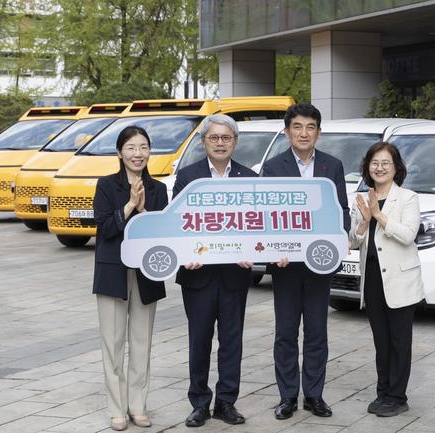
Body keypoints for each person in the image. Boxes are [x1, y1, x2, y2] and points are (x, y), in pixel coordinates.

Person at [260, 103, 350, 420]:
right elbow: (265, 215)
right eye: (297, 127)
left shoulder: (332, 166)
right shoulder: (273, 167)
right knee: (286, 333)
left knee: (316, 332)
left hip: (318, 264)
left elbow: (341, 210)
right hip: (285, 265)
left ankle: (314, 395)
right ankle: (287, 397)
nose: (303, 133)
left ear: (318, 132)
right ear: (287, 132)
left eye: (310, 127)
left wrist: (339, 241)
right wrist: (274, 249)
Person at [172, 114, 256, 428]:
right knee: (200, 341)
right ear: (204, 141)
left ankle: (226, 402)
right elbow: (178, 222)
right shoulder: (188, 177)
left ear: (235, 142)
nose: (220, 143)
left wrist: (252, 251)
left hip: (235, 274)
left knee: (232, 342)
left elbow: (257, 223)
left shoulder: (250, 178)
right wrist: (185, 254)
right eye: (214, 138)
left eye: (226, 138)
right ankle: (199, 404)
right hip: (198, 275)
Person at [93, 126, 168, 431]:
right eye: (131, 148)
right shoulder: (106, 185)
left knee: (141, 342)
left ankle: (138, 405)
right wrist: (128, 206)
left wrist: (144, 208)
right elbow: (104, 229)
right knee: (112, 344)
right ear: (120, 153)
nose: (138, 154)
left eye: (144, 147)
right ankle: (116, 408)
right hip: (112, 272)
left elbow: (161, 233)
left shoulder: (158, 189)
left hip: (146, 274)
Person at [349, 141, 424, 417]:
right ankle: (383, 393)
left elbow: (408, 235)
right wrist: (363, 221)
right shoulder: (360, 198)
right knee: (381, 340)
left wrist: (378, 215)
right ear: (367, 167)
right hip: (372, 278)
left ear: (396, 168)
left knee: (399, 341)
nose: (379, 168)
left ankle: (397, 396)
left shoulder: (408, 198)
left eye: (385, 163)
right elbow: (353, 241)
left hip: (400, 278)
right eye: (375, 163)